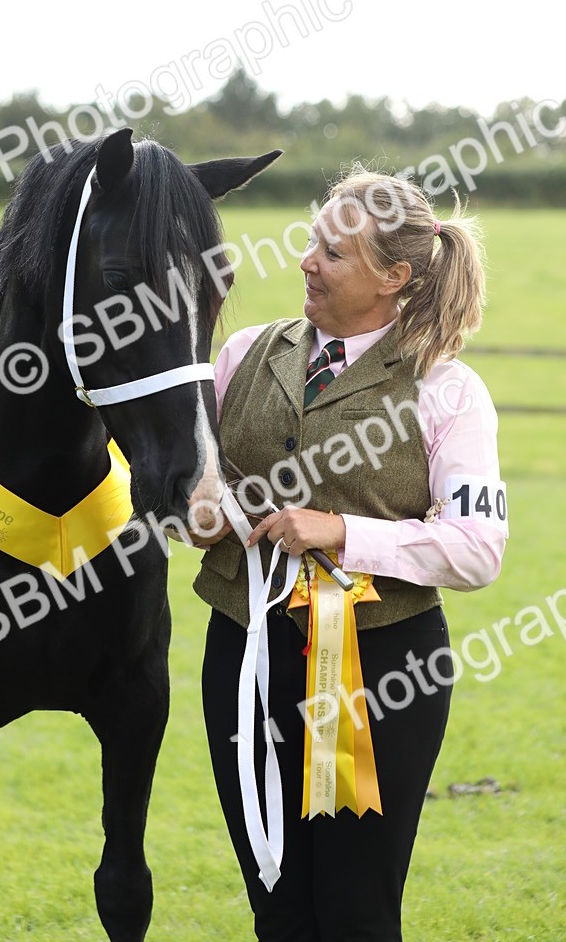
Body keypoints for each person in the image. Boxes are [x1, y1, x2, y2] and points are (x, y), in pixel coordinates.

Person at [193, 168, 507, 942]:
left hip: (385, 674)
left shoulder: (449, 389)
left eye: (332, 253)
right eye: (310, 243)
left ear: (394, 277)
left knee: (357, 914)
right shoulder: (241, 354)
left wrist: (341, 532)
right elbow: (196, 490)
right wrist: (196, 515)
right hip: (242, 659)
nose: (306, 262)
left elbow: (478, 550)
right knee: (277, 907)